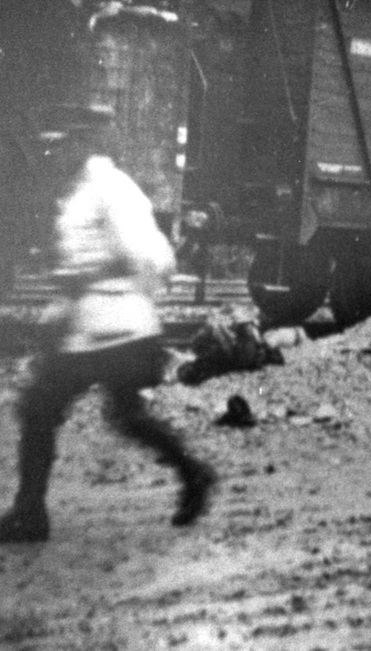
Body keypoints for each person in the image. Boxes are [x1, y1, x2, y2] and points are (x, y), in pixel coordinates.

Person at [0, 104, 216, 543]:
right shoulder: (79, 190)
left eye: (64, 143)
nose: (55, 152)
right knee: (115, 414)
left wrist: (100, 277)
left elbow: (153, 256)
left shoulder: (113, 189)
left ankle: (30, 514)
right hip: (91, 330)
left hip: (119, 330)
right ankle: (193, 474)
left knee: (48, 408)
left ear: (83, 142)